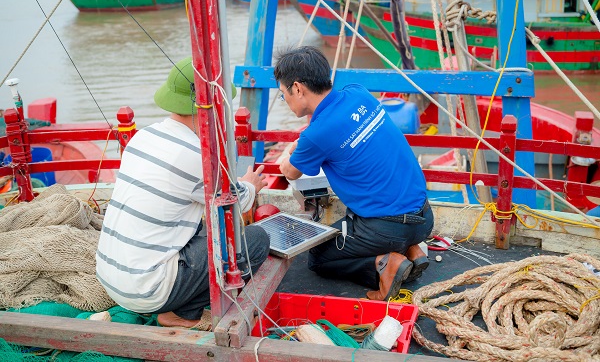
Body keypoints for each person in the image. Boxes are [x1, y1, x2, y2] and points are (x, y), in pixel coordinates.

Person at [96, 57, 270, 328]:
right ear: (209, 106)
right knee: (256, 240)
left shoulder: (143, 136)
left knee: (205, 231)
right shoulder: (197, 156)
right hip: (148, 290)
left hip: (111, 278)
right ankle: (180, 312)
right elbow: (240, 203)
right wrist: (250, 183)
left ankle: (175, 302)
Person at [275, 46, 434, 301]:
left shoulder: (315, 135)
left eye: (283, 94)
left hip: (386, 229)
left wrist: (288, 155)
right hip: (424, 217)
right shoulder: (358, 93)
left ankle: (386, 263)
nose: (286, 100)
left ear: (297, 88)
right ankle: (411, 251)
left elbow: (290, 171)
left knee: (317, 259)